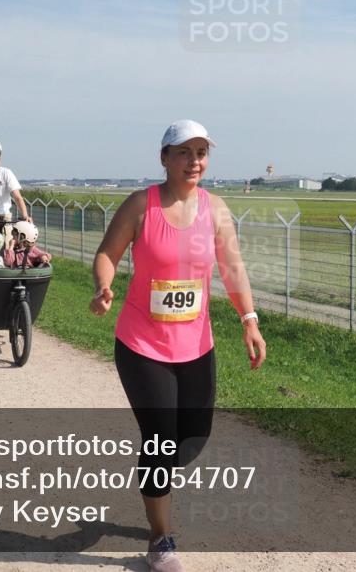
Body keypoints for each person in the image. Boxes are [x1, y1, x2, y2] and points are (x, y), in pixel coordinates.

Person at [89, 119, 266, 572]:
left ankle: (157, 486)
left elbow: (233, 267)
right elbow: (107, 254)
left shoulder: (217, 210)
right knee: (161, 440)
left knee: (192, 439)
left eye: (201, 152)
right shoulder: (140, 205)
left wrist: (249, 320)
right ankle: (160, 538)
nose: (194, 161)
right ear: (164, 157)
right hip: (142, 344)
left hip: (196, 346)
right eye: (184, 152)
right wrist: (104, 287)